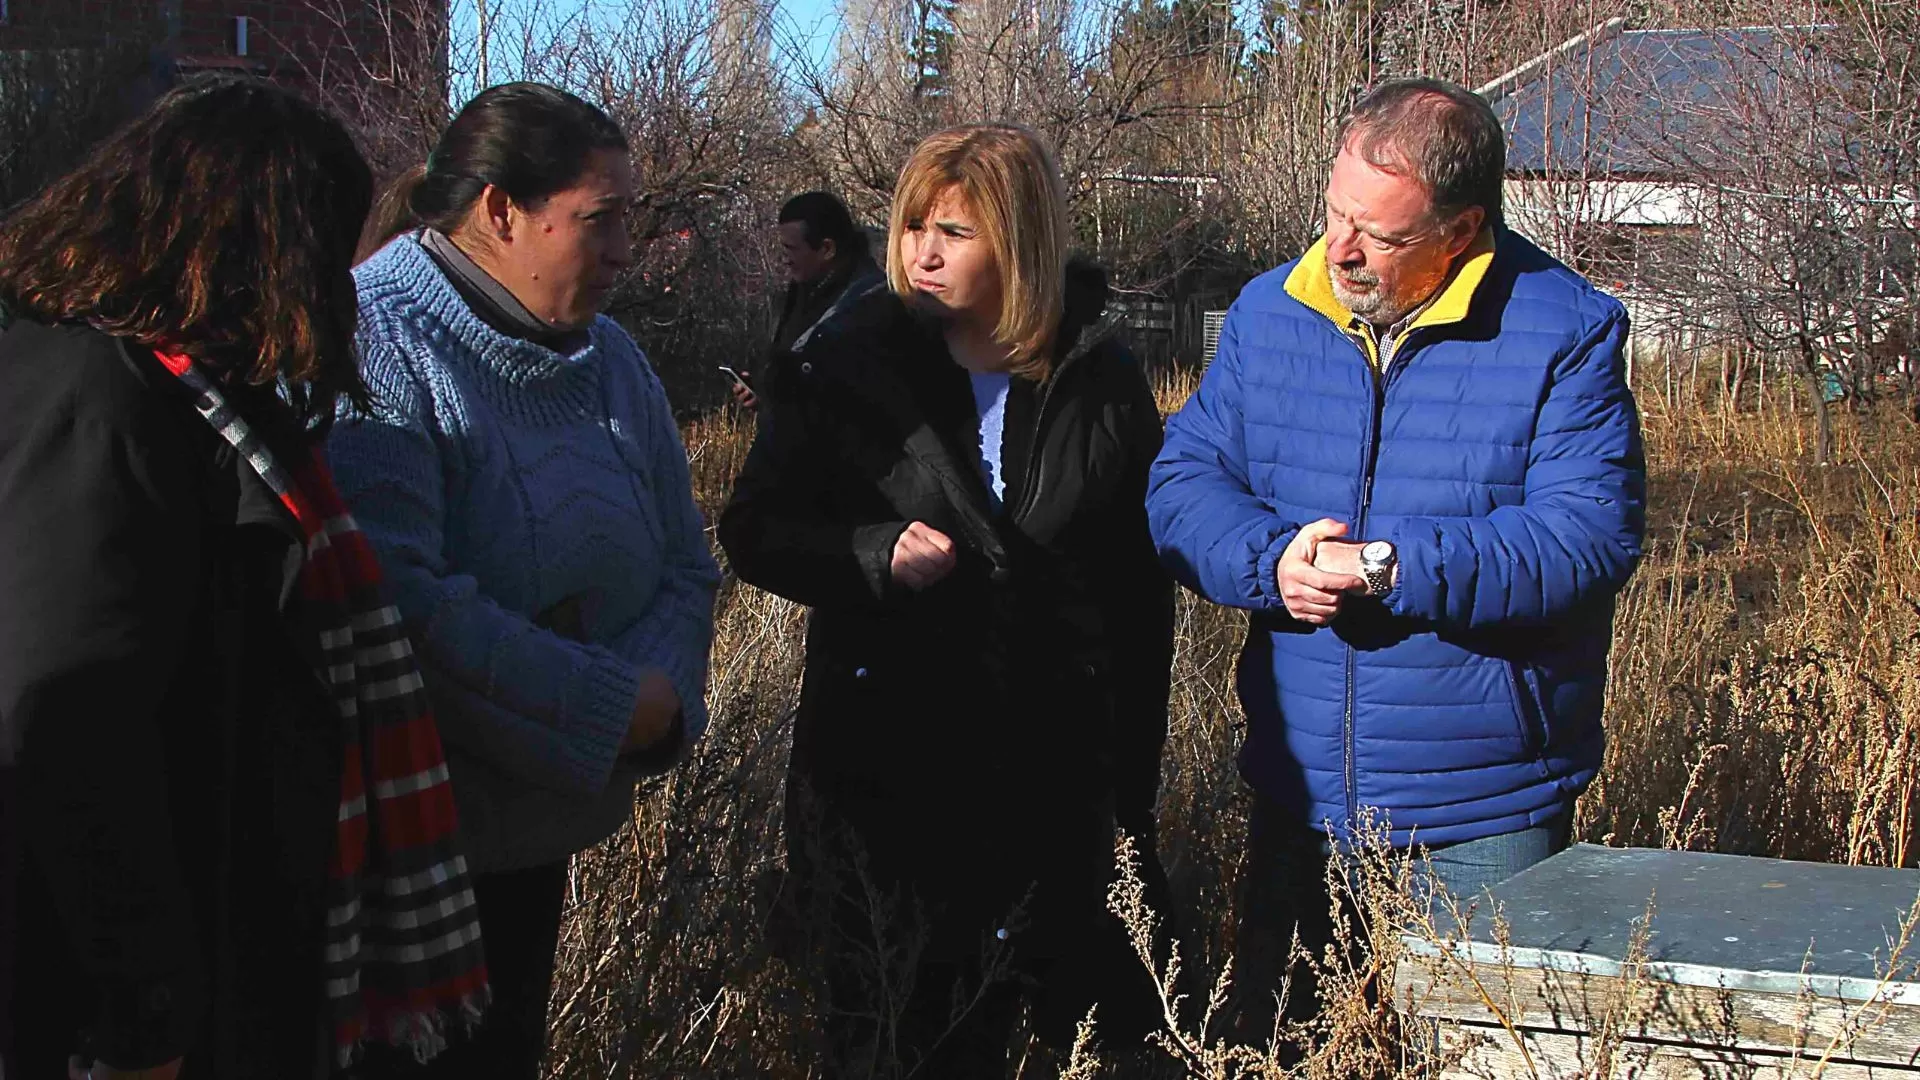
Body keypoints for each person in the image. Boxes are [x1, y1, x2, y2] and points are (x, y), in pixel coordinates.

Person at [0, 76, 487, 1080]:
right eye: (326, 246)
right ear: (258, 244)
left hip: (217, 939)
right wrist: (148, 1011)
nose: (340, 279)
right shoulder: (98, 402)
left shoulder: (197, 396)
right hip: (109, 995)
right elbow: (68, 721)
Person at [1147, 76, 1646, 1034]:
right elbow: (1184, 484)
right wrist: (1269, 560)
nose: (1340, 249)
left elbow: (1587, 534)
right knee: (1282, 1047)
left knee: (1489, 1049)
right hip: (1298, 788)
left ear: (1461, 231)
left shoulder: (1563, 329)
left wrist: (1393, 568)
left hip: (1483, 806)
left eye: (1379, 234)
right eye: (1334, 213)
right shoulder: (1272, 312)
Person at [718, 124, 1174, 1075]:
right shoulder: (847, 363)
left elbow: (1139, 596)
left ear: (1021, 240)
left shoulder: (1102, 374)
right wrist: (873, 551)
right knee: (891, 1032)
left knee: (1048, 1034)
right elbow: (755, 529)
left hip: (1052, 769)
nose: (923, 251)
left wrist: (1130, 780)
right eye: (914, 223)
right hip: (890, 765)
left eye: (955, 231)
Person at [333, 82, 719, 1078]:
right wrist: (603, 703)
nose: (628, 249)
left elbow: (685, 558)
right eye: (602, 220)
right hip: (404, 868)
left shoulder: (614, 360)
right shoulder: (376, 343)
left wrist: (661, 697)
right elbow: (400, 607)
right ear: (501, 210)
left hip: (540, 837)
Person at [732, 190, 885, 410]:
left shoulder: (870, 305)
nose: (786, 259)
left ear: (826, 249)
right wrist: (763, 392)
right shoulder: (798, 296)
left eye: (791, 249)